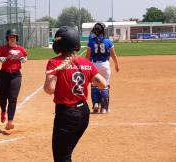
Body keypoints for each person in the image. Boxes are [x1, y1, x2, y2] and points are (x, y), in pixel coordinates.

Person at [44, 26, 107, 162]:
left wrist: (49, 78)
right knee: (66, 154)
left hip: (66, 115)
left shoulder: (54, 62)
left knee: (62, 158)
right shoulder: (86, 63)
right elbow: (102, 84)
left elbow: (50, 90)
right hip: (83, 114)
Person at [0, 29, 28, 130]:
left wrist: (24, 60)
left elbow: (25, 57)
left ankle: (10, 121)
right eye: (10, 37)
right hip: (3, 75)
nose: (12, 38)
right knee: (2, 98)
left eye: (14, 37)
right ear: (7, 38)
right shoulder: (3, 49)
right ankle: (3, 111)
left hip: (16, 75)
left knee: (13, 99)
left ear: (16, 38)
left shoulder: (21, 49)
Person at [86, 23, 120, 114]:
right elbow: (113, 55)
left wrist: (86, 68)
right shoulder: (108, 41)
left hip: (94, 66)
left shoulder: (91, 42)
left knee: (94, 85)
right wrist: (117, 65)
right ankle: (104, 108)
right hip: (105, 65)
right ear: (103, 31)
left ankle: (96, 104)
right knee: (104, 86)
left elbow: (87, 57)